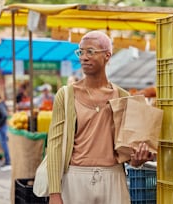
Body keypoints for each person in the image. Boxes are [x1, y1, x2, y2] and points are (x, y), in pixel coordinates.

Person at [47, 30, 155, 204]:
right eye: (80, 52)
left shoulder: (123, 96)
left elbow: (130, 152)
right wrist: (54, 192)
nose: (84, 57)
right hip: (75, 178)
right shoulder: (66, 95)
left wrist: (138, 160)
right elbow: (54, 145)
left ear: (107, 56)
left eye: (90, 51)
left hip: (113, 177)